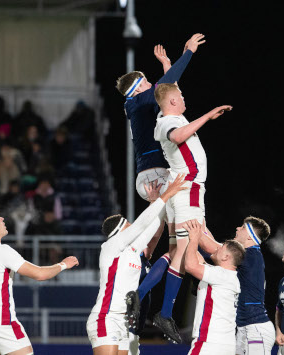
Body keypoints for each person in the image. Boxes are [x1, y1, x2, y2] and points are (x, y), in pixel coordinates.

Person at [116, 36, 206, 331]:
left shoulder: (135, 105)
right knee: (188, 237)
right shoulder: (141, 101)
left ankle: (149, 288)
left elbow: (164, 85)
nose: (151, 85)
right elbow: (167, 86)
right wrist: (188, 53)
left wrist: (167, 65)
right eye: (146, 82)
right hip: (158, 175)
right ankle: (183, 281)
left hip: (149, 175)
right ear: (140, 87)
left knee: (170, 241)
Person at [151, 81, 232, 341]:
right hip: (188, 191)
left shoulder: (170, 114)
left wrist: (169, 63)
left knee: (193, 249)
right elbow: (177, 135)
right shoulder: (169, 123)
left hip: (184, 191)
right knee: (185, 255)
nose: (184, 95)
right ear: (173, 102)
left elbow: (169, 88)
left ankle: (144, 298)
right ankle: (165, 313)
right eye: (181, 95)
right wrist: (208, 116)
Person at [87, 174, 186, 355]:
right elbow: (141, 225)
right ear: (119, 230)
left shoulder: (132, 250)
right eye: (128, 225)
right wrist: (165, 196)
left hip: (124, 321)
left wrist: (162, 199)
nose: (132, 226)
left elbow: (152, 226)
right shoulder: (110, 246)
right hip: (105, 318)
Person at [0, 205, 79, 355]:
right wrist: (63, 264)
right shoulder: (2, 250)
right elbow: (39, 274)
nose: (2, 218)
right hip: (1, 320)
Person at [197, 217, 275, 355]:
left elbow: (209, 246)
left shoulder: (250, 255)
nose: (237, 228)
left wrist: (189, 223)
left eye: (243, 227)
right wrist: (201, 222)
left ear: (251, 237)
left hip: (256, 327)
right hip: (245, 327)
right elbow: (218, 250)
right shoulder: (251, 255)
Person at [183, 219, 245, 354]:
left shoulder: (220, 275)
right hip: (226, 344)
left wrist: (194, 238)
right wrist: (190, 236)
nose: (217, 248)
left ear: (226, 257)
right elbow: (195, 259)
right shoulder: (229, 276)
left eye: (221, 248)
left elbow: (190, 266)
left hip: (209, 343)